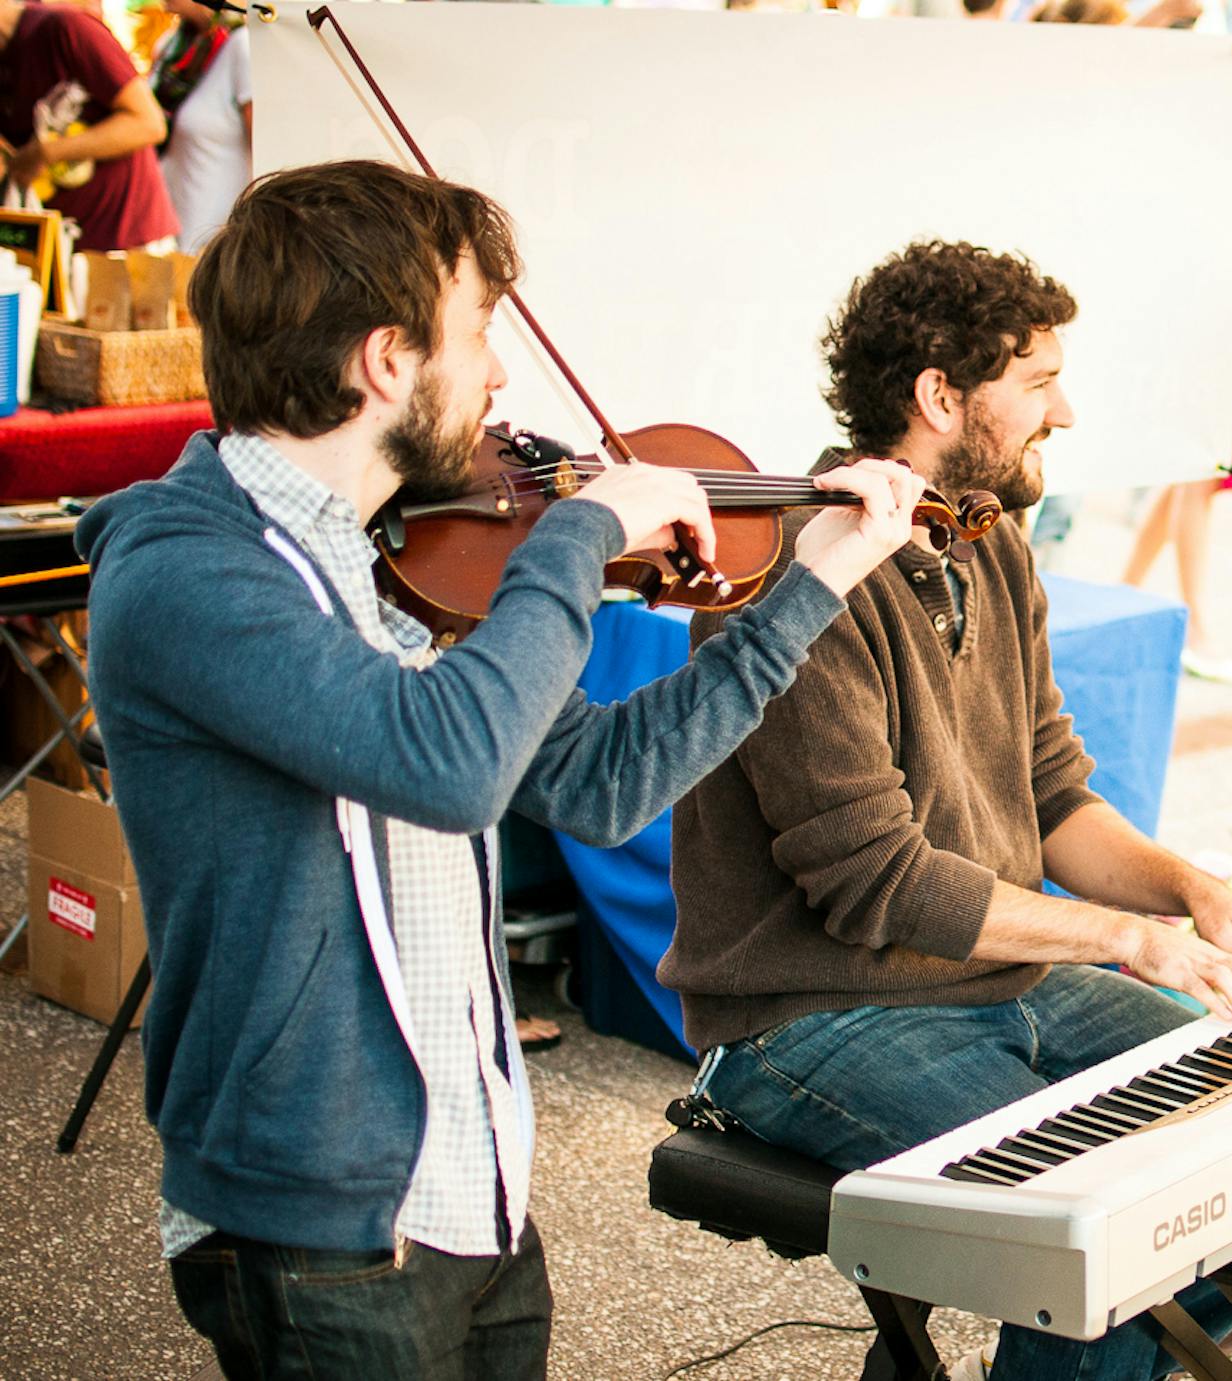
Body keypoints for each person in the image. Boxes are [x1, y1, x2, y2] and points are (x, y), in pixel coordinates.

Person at [74, 159, 923, 1380]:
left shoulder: (398, 561)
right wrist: (580, 532)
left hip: (470, 1177)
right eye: (477, 331)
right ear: (385, 362)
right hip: (320, 1218)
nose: (499, 376)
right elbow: (452, 764)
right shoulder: (188, 571)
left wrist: (813, 585)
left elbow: (600, 781)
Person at [664, 239, 1232, 1381]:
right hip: (809, 1019)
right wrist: (1133, 941)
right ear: (940, 396)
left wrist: (1196, 896)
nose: (1064, 410)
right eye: (1037, 380)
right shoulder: (800, 575)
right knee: (1127, 1222)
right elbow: (877, 880)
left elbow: (1054, 793)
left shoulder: (992, 540)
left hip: (994, 984)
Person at [0, 0, 177, 252]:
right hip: (59, 242)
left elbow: (149, 123)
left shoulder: (65, 28)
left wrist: (45, 152)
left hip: (126, 242)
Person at [151, 0, 250, 254]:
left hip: (212, 236)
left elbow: (263, 146)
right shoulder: (171, 47)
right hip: (165, 231)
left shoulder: (241, 46)